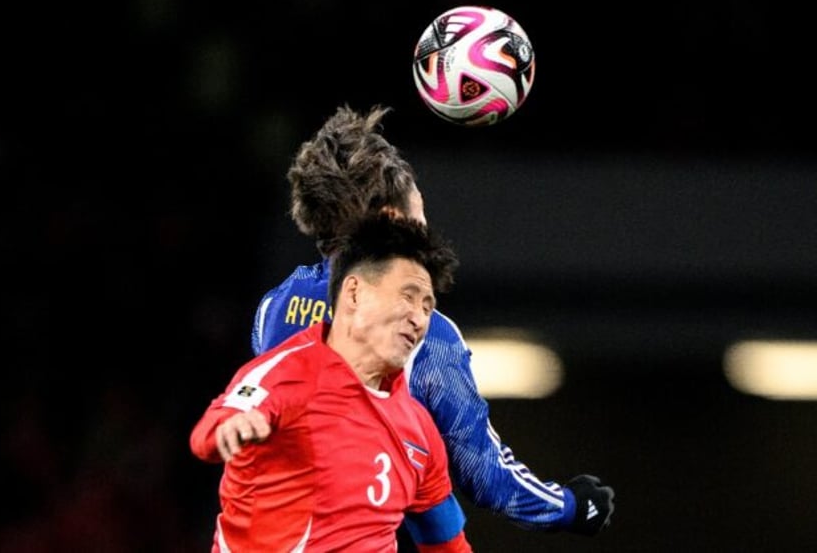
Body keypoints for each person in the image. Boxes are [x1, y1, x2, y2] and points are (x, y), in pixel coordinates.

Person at [251, 104, 615, 538]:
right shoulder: (422, 337)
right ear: (393, 219)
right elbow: (485, 474)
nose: (426, 223)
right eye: (419, 209)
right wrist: (572, 506)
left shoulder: (273, 310)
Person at [190, 214, 472, 552]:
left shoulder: (420, 429)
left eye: (428, 307)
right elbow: (210, 431)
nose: (419, 318)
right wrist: (229, 429)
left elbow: (446, 542)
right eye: (408, 297)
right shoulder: (287, 375)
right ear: (354, 293)